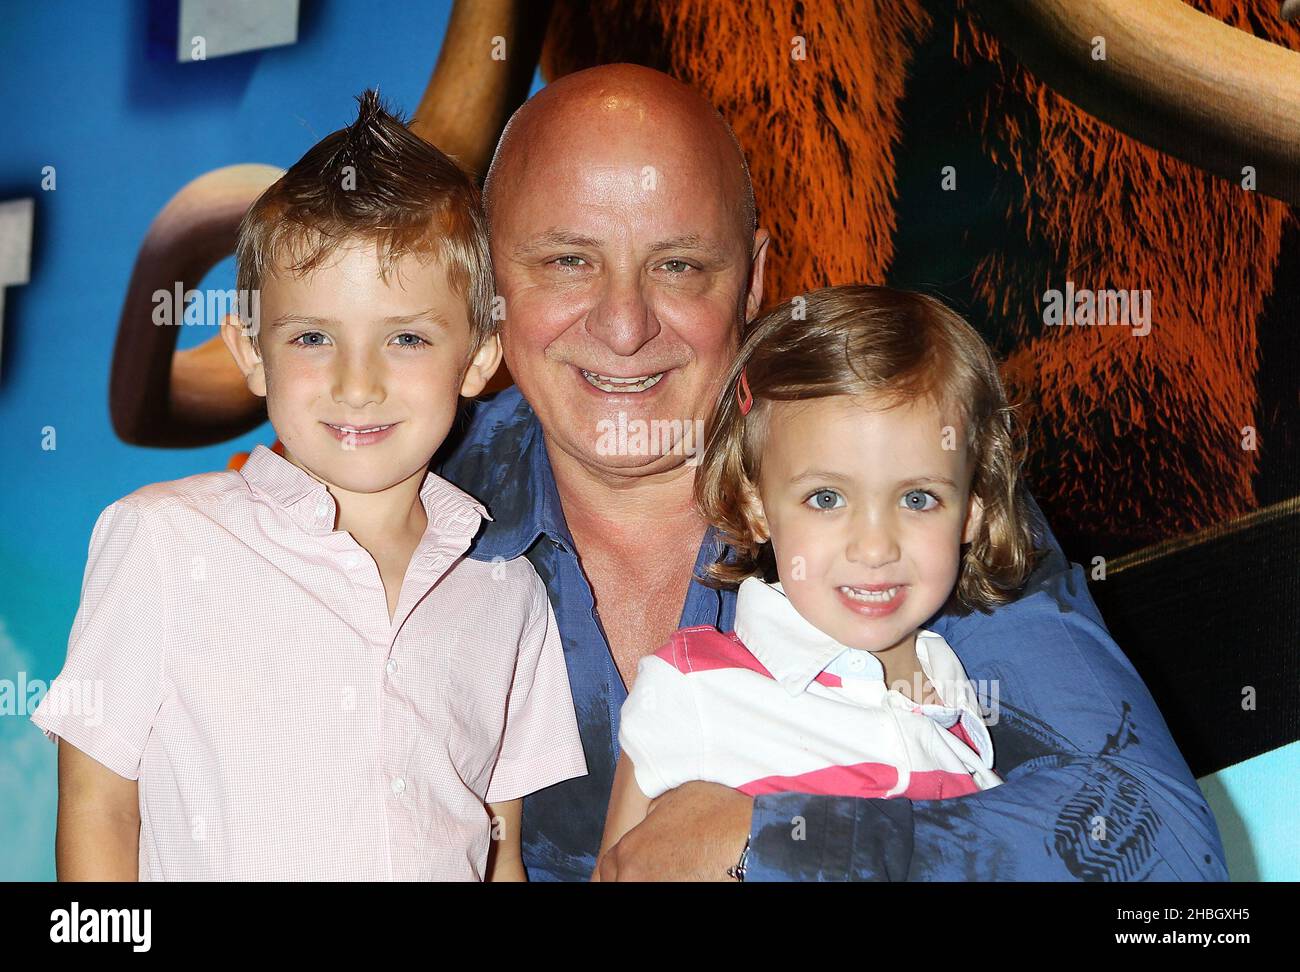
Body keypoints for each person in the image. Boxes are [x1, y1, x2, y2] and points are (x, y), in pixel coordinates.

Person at [436, 62, 1227, 881]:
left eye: (679, 266)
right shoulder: (397, 507)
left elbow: (1164, 848)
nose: (626, 324)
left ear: (755, 278)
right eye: (568, 261)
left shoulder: (907, 483)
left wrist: (768, 838)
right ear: (489, 280)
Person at [30, 91, 585, 881]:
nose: (357, 385)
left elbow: (501, 850)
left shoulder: (507, 592)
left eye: (406, 338)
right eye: (314, 337)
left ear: (478, 358)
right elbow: (97, 803)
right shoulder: (161, 539)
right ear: (251, 349)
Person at [596, 285, 1025, 869]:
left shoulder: (959, 699)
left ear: (972, 509)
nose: (874, 546)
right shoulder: (694, 688)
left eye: (918, 498)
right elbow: (620, 870)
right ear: (756, 506)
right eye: (826, 497)